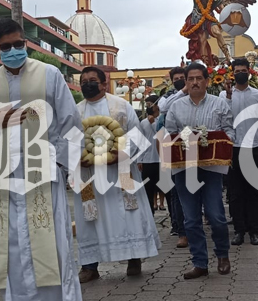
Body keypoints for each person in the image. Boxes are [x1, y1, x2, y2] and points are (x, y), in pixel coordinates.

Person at [0, 19, 83, 301]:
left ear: (26, 43)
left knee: (52, 240)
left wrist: (61, 162)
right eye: (6, 47)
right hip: (4, 173)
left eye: (18, 44)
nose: (13, 50)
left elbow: (69, 119)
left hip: (43, 169)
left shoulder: (49, 74)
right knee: (13, 244)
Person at [73, 67, 161, 283]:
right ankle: (90, 266)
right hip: (89, 175)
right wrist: (76, 156)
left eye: (92, 80)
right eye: (83, 81)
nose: (87, 84)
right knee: (90, 218)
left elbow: (136, 136)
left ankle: (134, 258)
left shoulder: (121, 106)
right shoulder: (75, 111)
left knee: (128, 214)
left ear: (104, 84)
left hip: (120, 170)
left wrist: (118, 155)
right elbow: (68, 139)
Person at [164, 61, 235, 279]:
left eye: (198, 78)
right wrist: (189, 138)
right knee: (191, 219)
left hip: (212, 169)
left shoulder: (219, 104)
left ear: (207, 81)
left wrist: (212, 140)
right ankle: (199, 262)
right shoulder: (176, 106)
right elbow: (169, 134)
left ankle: (222, 254)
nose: (194, 82)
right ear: (186, 82)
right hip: (184, 170)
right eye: (190, 79)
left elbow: (230, 133)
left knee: (216, 215)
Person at [226, 58, 258, 246]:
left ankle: (254, 231)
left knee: (254, 192)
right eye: (237, 71)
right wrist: (228, 97)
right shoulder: (225, 96)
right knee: (235, 193)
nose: (240, 73)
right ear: (232, 73)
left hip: (254, 148)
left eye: (243, 70)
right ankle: (239, 230)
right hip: (233, 149)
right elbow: (224, 120)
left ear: (249, 72)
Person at [158, 66, 188, 248]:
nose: (179, 80)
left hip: (195, 144)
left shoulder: (196, 93)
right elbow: (163, 108)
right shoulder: (168, 96)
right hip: (174, 146)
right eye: (176, 79)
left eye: (181, 77)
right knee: (177, 191)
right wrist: (182, 91)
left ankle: (194, 224)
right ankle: (180, 228)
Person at [140, 95, 162, 214]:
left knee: (166, 190)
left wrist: (153, 123)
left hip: (161, 160)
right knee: (148, 191)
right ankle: (150, 216)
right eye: (147, 105)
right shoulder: (143, 123)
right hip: (147, 161)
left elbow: (161, 137)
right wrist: (139, 159)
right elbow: (140, 141)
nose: (148, 107)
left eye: (150, 105)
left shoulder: (162, 121)